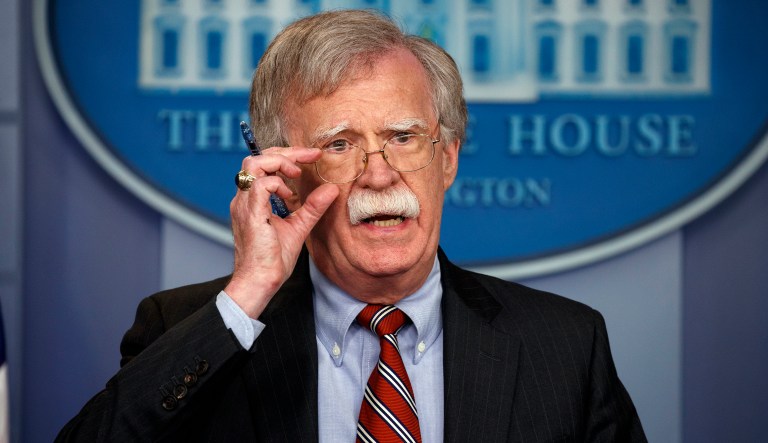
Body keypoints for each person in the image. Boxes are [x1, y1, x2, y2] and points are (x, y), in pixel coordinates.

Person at [57, 9, 646, 442]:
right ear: (285, 177)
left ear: (448, 159)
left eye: (404, 137)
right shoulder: (188, 328)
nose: (379, 175)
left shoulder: (566, 345)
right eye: (339, 145)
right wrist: (248, 294)